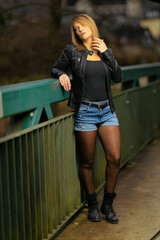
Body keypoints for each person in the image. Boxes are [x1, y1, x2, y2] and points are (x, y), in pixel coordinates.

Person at [51, 14, 122, 224]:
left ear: (91, 26)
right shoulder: (72, 51)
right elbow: (55, 67)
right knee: (87, 161)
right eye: (75, 28)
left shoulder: (104, 50)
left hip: (107, 111)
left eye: (82, 26)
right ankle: (92, 203)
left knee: (115, 158)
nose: (79, 30)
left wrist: (107, 53)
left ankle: (107, 204)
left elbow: (118, 77)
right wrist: (61, 74)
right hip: (86, 111)